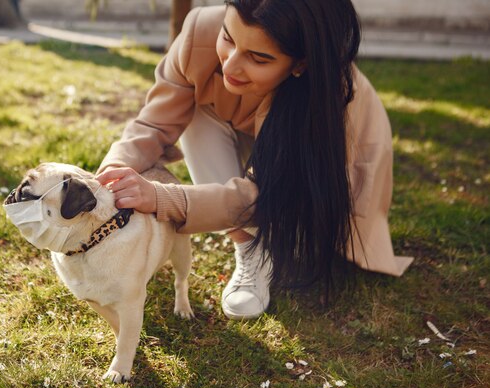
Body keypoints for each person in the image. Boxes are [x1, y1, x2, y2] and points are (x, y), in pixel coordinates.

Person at [95, 0, 413, 319]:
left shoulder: (327, 98)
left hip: (329, 157)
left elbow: (259, 194)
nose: (231, 66)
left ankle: (273, 236)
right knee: (195, 112)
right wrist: (112, 171)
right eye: (228, 38)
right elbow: (154, 124)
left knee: (307, 236)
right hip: (239, 126)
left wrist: (160, 197)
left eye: (259, 58)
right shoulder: (199, 31)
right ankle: (249, 244)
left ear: (299, 64)